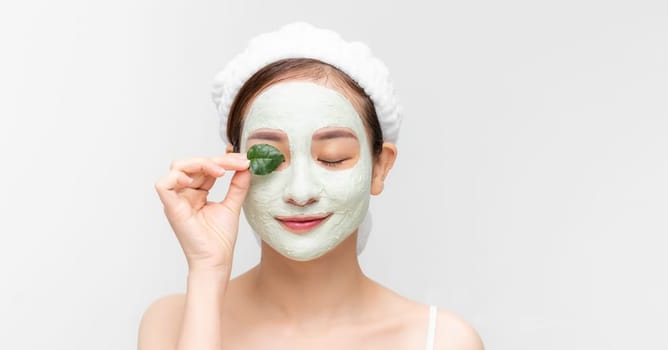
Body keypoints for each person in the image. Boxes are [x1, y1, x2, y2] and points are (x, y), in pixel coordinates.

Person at [139, 23, 484, 350]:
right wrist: (207, 270)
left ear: (380, 167)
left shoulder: (442, 340)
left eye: (332, 158)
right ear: (234, 165)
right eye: (269, 158)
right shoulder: (172, 322)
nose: (300, 192)